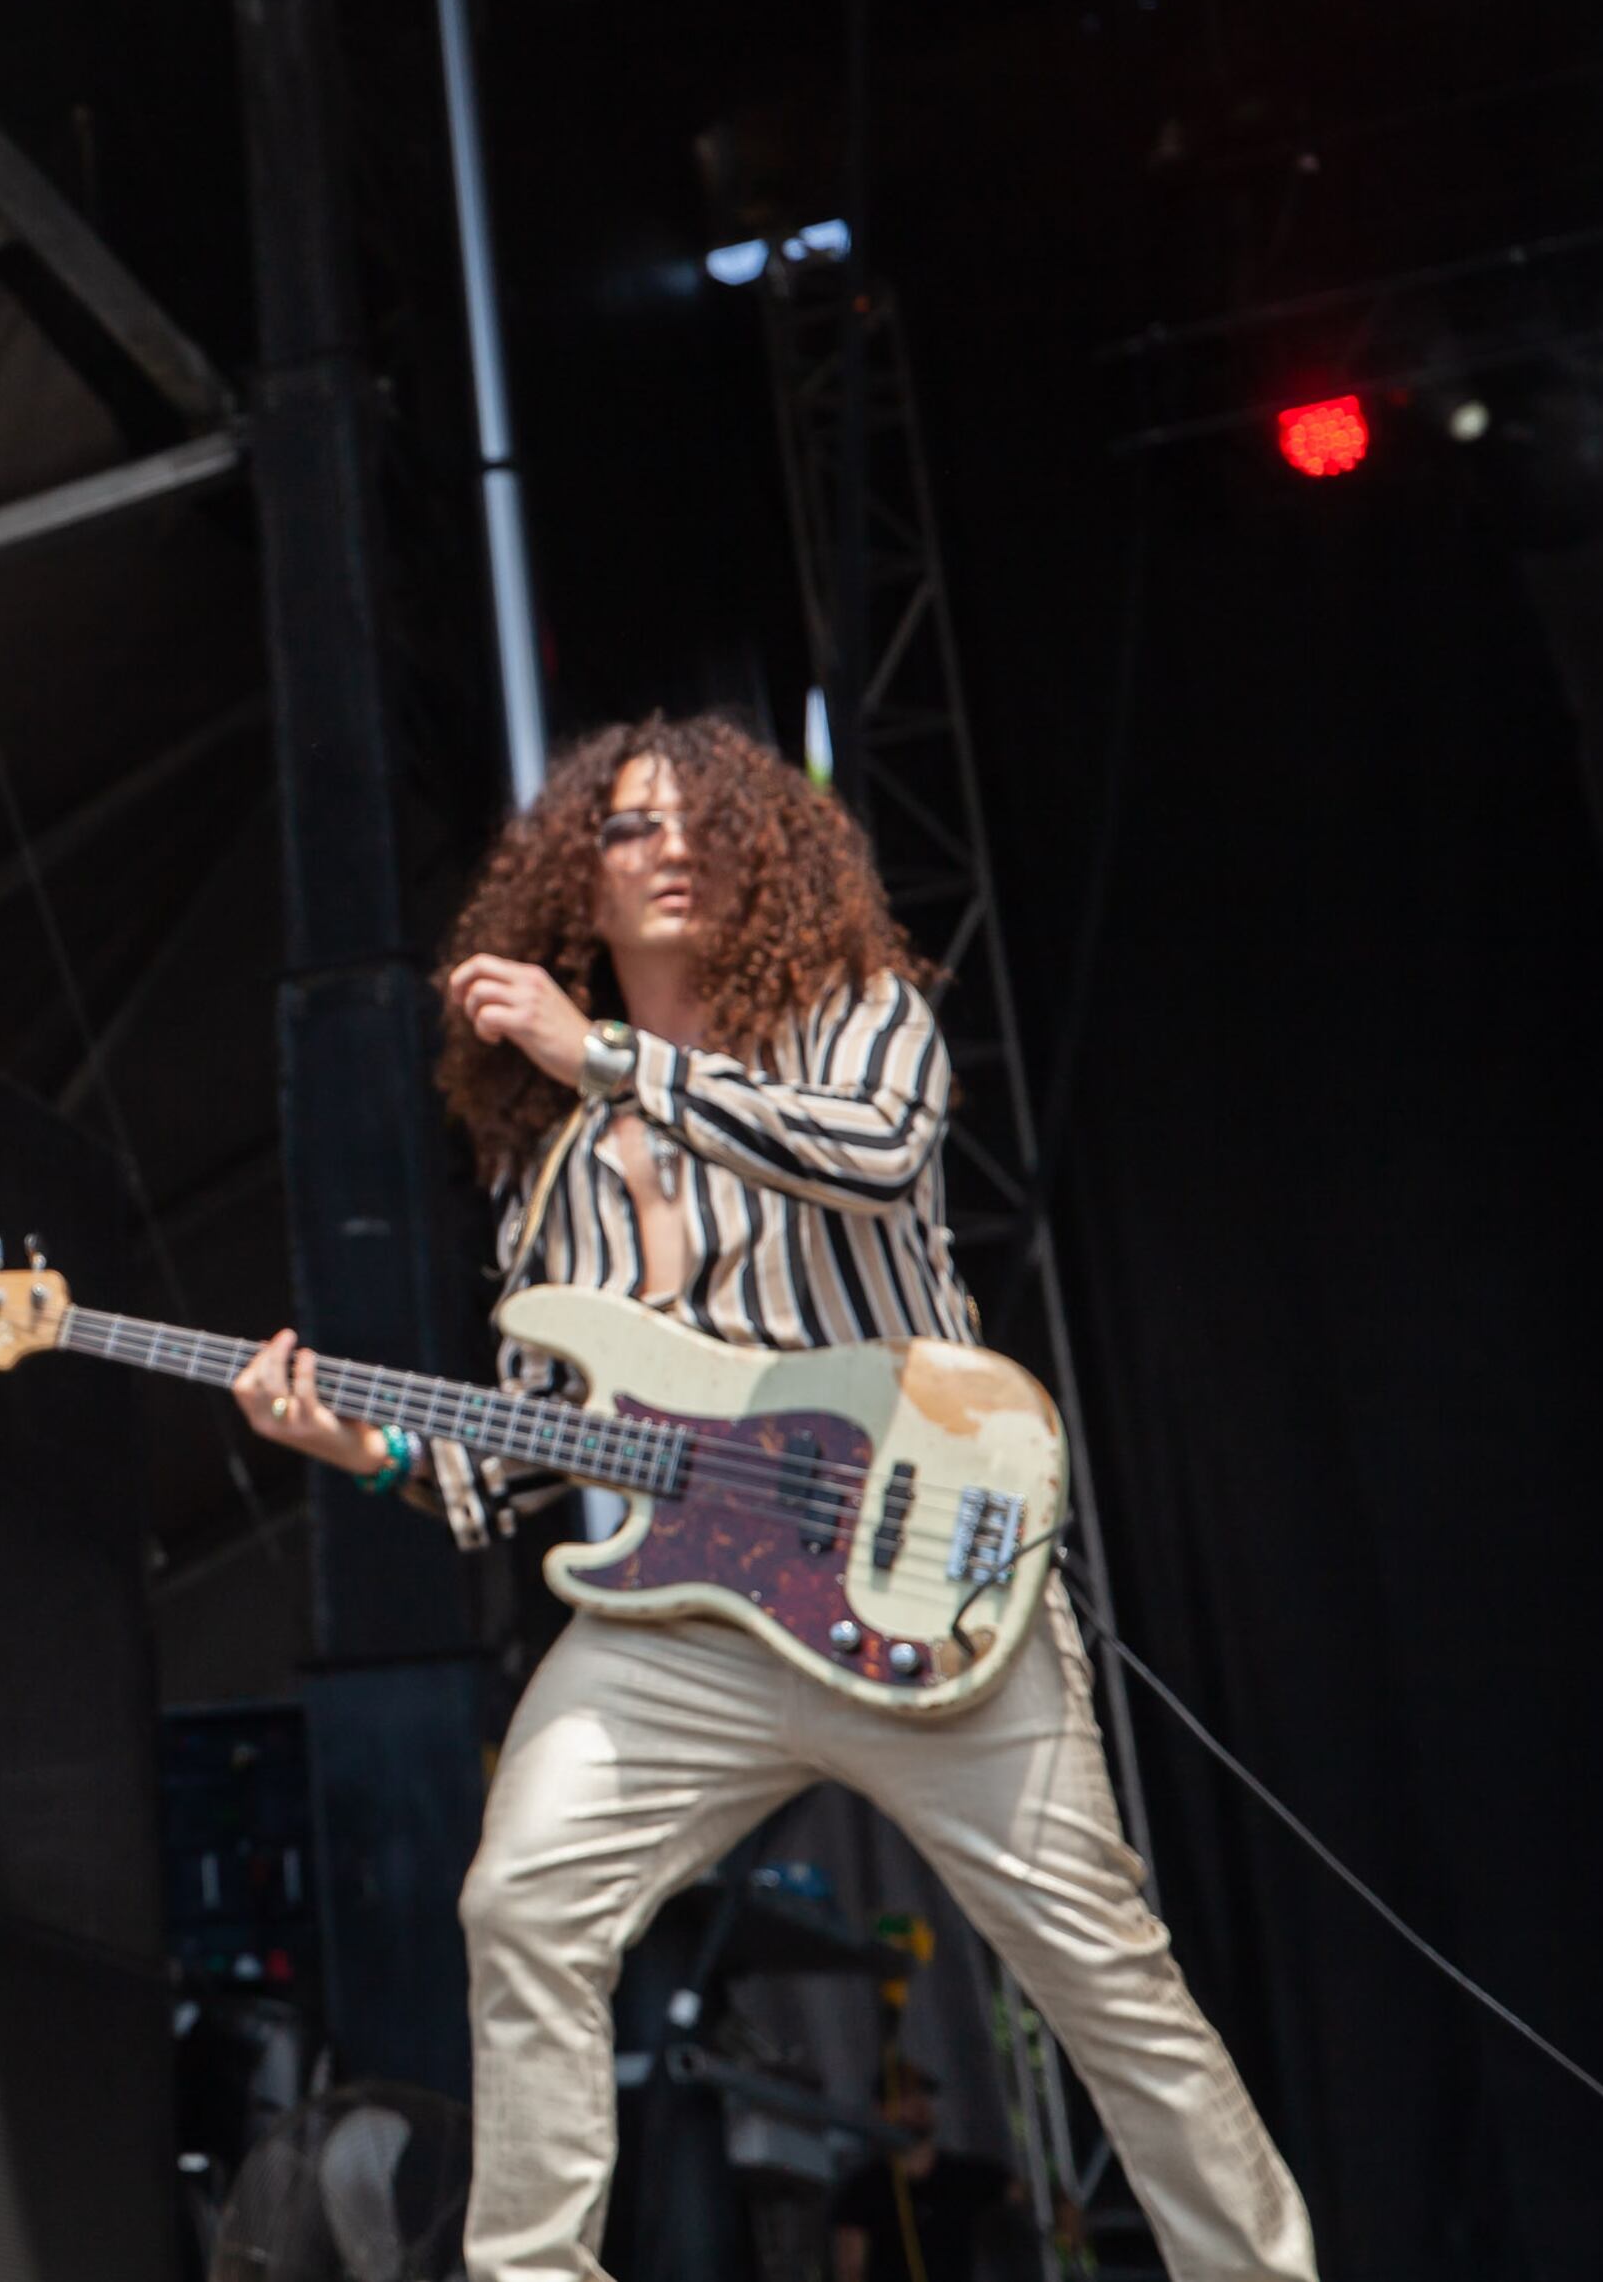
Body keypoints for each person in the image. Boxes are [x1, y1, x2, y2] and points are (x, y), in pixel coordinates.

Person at [228, 714, 1315, 2282]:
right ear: (571, 894)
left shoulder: (858, 1016)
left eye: (704, 825)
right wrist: (371, 1448)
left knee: (1104, 1973)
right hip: (696, 1613)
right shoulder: (557, 1167)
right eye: (628, 829)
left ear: (760, 861)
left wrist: (601, 1053)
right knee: (523, 1901)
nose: (671, 847)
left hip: (928, 1586)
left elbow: (872, 1160)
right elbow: (544, 1438)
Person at [828, 2064, 1024, 2282]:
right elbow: (850, 2269)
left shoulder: (960, 2176)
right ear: (881, 2109)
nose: (919, 2102)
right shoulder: (863, 2191)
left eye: (923, 2093)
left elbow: (1022, 2193)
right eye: (905, 2096)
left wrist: (1059, 2204)